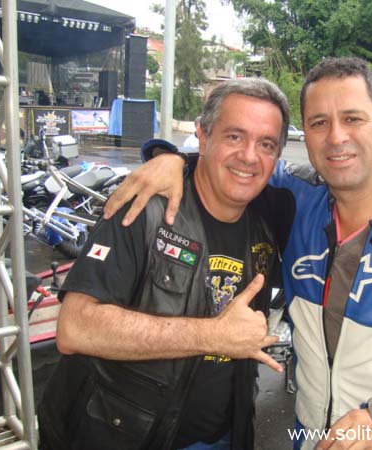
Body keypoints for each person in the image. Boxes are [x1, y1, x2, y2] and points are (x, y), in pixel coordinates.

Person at [105, 57, 372, 450]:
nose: (336, 137)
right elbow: (234, 161)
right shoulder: (294, 198)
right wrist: (172, 159)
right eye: (319, 123)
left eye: (353, 118)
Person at [37, 78, 294, 450]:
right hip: (120, 436)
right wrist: (213, 335)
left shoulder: (270, 214)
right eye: (234, 136)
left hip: (224, 436)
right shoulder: (146, 208)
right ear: (202, 136)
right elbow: (76, 327)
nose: (249, 156)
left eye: (266, 144)